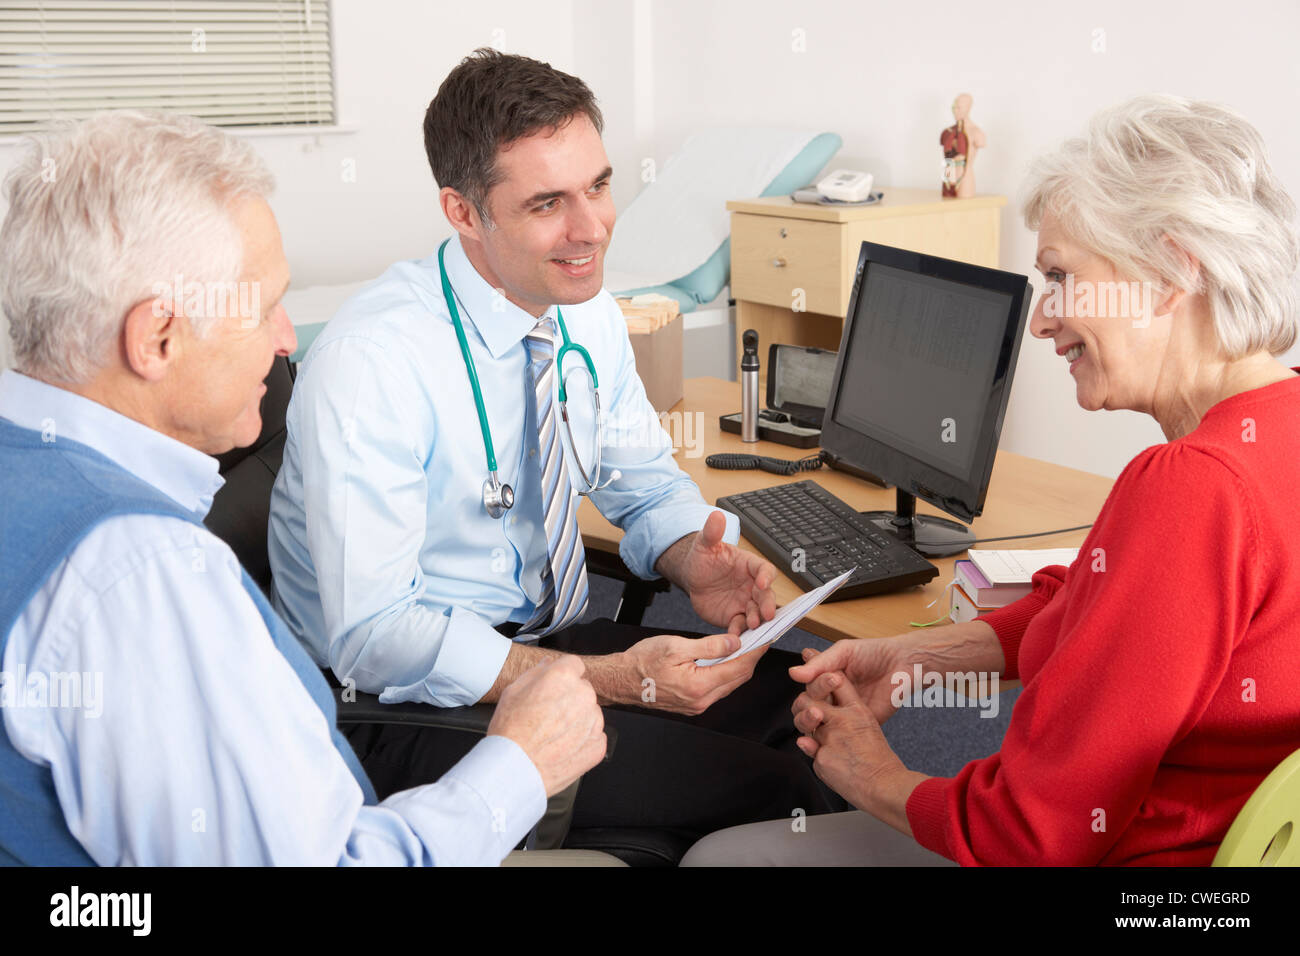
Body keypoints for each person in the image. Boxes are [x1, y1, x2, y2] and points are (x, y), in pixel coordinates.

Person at [682, 94, 1300, 866]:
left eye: (1061, 278)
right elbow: (1095, 607)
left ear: (1174, 271)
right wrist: (914, 660)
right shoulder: (1275, 432)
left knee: (724, 859)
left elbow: (1028, 835)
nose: (1042, 321)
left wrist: (874, 775)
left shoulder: (1193, 487)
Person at [0, 109, 608, 866]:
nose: (288, 339)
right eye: (262, 309)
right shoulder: (138, 576)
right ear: (157, 338)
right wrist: (521, 762)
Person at [268, 48, 840, 848]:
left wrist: (688, 555)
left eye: (600, 186)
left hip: (543, 647)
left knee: (809, 700)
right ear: (464, 211)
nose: (593, 229)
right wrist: (615, 681)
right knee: (779, 794)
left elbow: (640, 478)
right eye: (548, 204)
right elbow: (375, 634)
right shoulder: (373, 364)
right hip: (400, 703)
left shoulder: (583, 309)